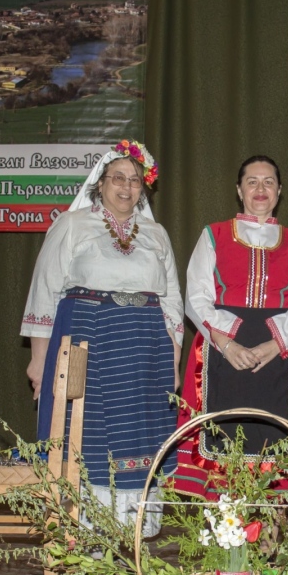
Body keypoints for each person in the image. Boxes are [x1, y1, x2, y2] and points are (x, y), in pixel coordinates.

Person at [21, 140, 182, 536]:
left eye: (135, 181)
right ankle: (85, 530)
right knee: (83, 429)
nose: (126, 187)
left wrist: (172, 362)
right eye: (118, 179)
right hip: (87, 342)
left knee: (138, 434)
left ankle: (131, 531)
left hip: (145, 347)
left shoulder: (157, 235)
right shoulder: (72, 225)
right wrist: (39, 361)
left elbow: (172, 300)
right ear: (100, 183)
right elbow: (44, 289)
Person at [171, 155, 288, 499]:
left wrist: (275, 345)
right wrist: (228, 344)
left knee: (274, 438)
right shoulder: (214, 235)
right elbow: (196, 297)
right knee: (221, 435)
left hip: (279, 355)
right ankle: (220, 528)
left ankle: (270, 529)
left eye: (268, 182)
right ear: (239, 190)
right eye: (252, 181)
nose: (260, 189)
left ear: (280, 191)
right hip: (221, 350)